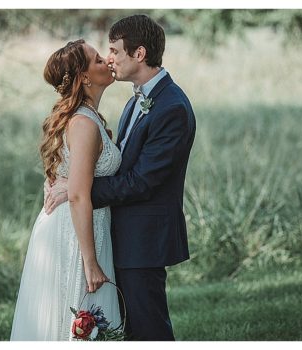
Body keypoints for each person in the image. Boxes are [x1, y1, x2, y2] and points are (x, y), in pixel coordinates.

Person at [44, 14, 196, 341]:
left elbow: (142, 181)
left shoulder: (171, 107)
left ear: (138, 54)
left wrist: (78, 187)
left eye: (113, 50)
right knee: (124, 332)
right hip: (120, 237)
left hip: (144, 240)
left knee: (149, 331)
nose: (109, 58)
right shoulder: (134, 102)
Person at [11, 39, 120, 340]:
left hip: (82, 225)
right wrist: (90, 261)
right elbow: (77, 194)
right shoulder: (83, 123)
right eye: (98, 59)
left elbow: (77, 183)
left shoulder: (90, 118)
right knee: (76, 319)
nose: (107, 61)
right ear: (84, 77)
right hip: (75, 235)